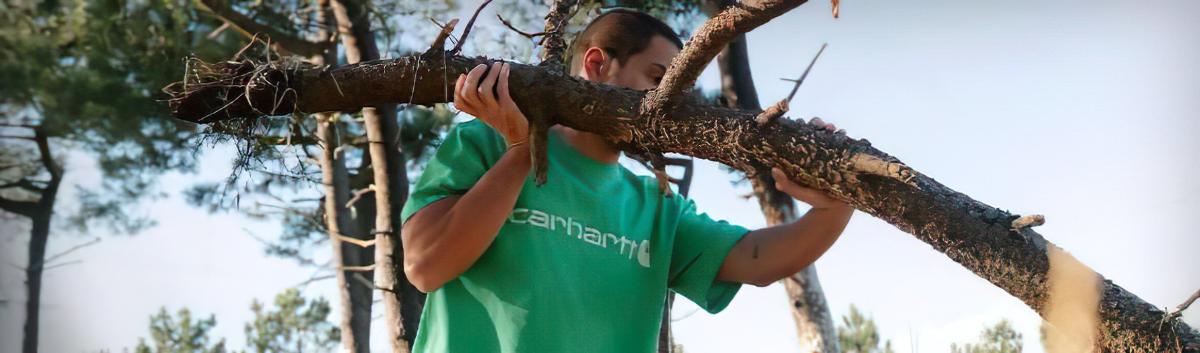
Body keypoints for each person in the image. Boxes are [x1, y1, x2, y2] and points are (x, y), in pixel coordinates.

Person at [399, 8, 853, 353]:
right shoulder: (487, 141)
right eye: (658, 79)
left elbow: (757, 259)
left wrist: (837, 204)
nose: (671, 103)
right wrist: (521, 153)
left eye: (682, 93)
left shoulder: (655, 203)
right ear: (596, 65)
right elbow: (425, 265)